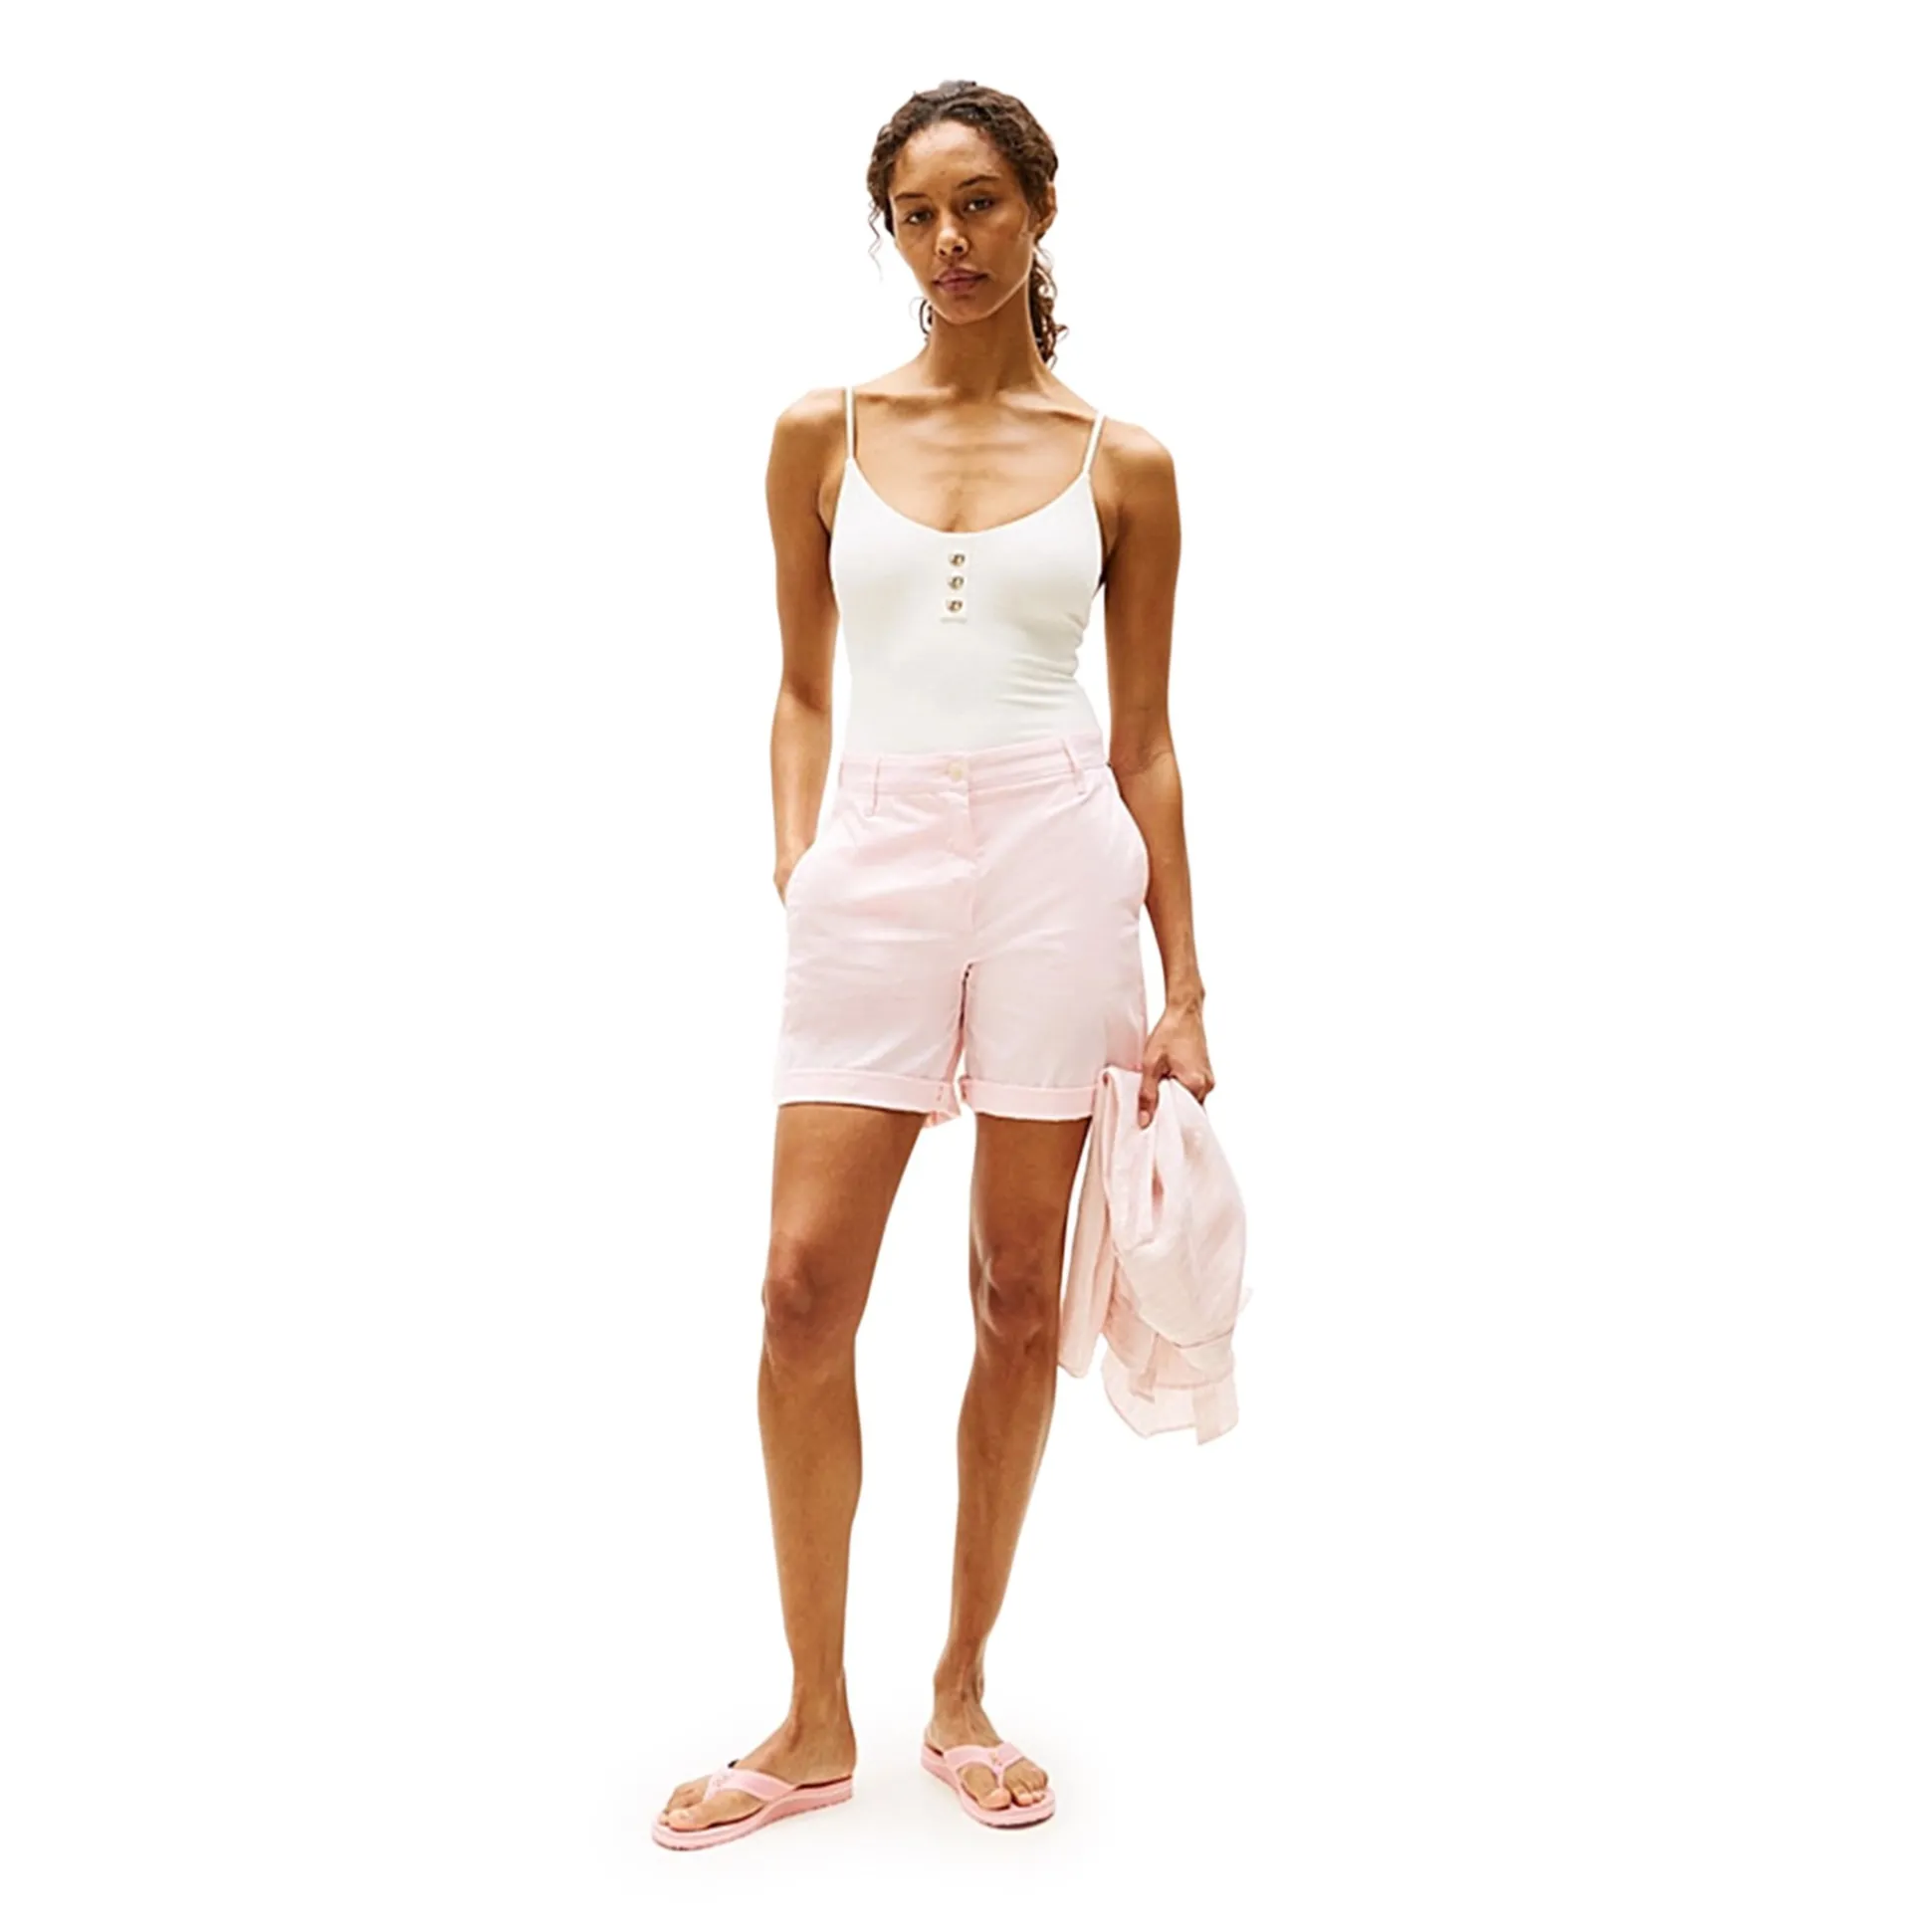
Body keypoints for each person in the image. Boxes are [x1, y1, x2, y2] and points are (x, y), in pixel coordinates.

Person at [655, 79, 1213, 1846]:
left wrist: (1188, 985)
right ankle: (813, 1719)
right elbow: (801, 686)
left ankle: (960, 1689)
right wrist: (800, 858)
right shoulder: (817, 433)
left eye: (980, 204)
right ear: (888, 230)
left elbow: (1146, 739)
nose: (950, 241)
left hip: (1059, 852)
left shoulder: (1126, 462)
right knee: (799, 1291)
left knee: (1018, 1297)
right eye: (916, 212)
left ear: (1040, 209)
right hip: (877, 854)